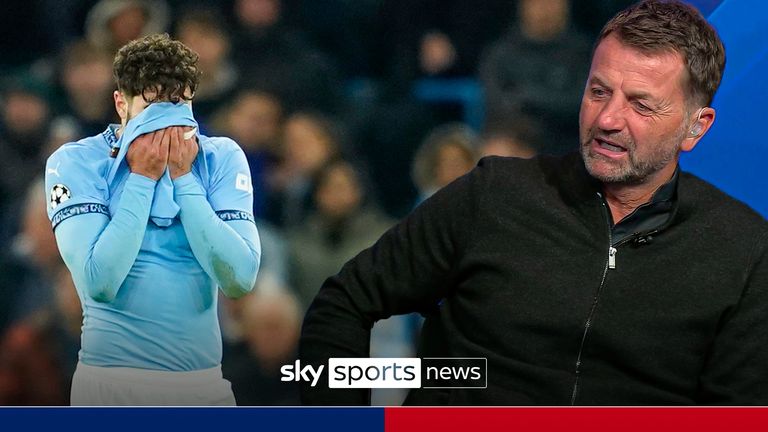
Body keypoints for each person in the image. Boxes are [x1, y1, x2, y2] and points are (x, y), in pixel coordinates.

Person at [299, 0, 768, 405]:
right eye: (598, 91)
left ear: (696, 127)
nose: (608, 118)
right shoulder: (495, 194)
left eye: (641, 105)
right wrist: (343, 419)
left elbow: (737, 415)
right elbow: (344, 304)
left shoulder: (741, 250)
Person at [44, 34, 260, 406]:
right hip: (111, 388)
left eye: (177, 103)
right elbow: (99, 281)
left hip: (203, 387)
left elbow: (240, 278)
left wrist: (184, 180)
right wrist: (142, 179)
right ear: (121, 104)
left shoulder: (221, 158)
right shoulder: (77, 163)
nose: (165, 122)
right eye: (151, 103)